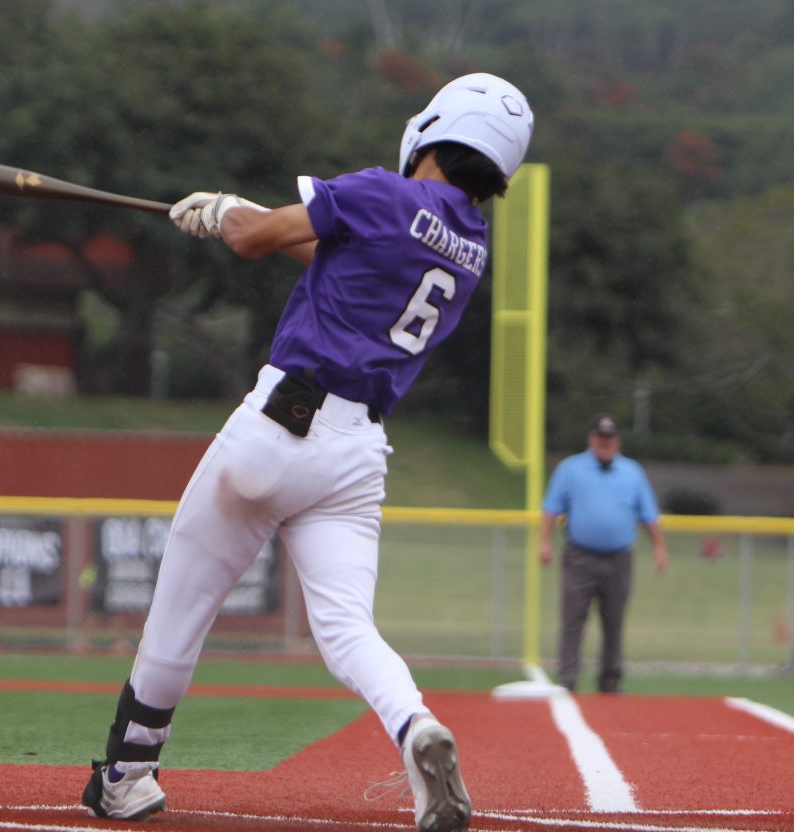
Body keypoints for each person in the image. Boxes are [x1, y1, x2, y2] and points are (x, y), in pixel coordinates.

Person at [81, 72, 534, 832]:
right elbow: (338, 259)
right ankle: (416, 726)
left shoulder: (383, 193)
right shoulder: (469, 248)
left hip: (277, 427)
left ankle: (128, 774)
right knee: (349, 628)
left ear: (435, 129)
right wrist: (236, 213)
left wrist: (229, 213)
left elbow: (261, 240)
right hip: (356, 456)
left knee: (179, 612)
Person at [539, 414, 669, 693]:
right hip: (580, 556)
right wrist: (545, 541)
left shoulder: (632, 472)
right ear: (591, 439)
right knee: (572, 619)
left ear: (617, 441)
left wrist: (659, 546)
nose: (604, 443)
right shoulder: (570, 469)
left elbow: (648, 514)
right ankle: (567, 679)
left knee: (614, 621)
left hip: (619, 558)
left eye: (609, 439)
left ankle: (610, 681)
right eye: (600, 438)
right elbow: (551, 507)